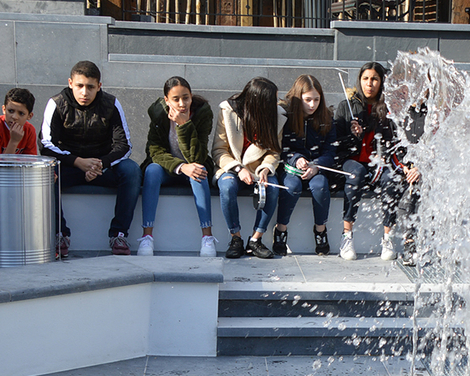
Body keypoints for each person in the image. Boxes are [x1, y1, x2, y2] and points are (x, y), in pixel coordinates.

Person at [40, 60, 141, 256]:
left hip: (101, 167)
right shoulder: (56, 103)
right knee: (45, 173)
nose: (84, 92)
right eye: (79, 86)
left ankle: (119, 234)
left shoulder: (111, 104)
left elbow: (124, 145)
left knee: (132, 170)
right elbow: (46, 145)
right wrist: (79, 162)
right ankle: (59, 234)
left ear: (99, 86)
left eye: (90, 87)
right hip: (70, 166)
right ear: (70, 83)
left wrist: (99, 165)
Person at [335, 62, 420, 262]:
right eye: (365, 79)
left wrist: (401, 162)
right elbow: (337, 144)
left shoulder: (389, 108)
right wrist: (353, 135)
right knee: (355, 175)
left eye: (374, 79)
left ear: (381, 82)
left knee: (392, 180)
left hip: (379, 164)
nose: (369, 84)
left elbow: (397, 142)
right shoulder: (347, 106)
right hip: (353, 161)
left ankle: (387, 238)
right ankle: (347, 236)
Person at [138, 76, 215, 258]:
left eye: (186, 97)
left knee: (199, 170)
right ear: (166, 100)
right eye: (176, 99)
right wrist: (181, 167)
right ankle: (147, 236)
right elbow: (155, 152)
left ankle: (207, 237)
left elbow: (198, 156)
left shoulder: (202, 113)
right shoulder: (158, 114)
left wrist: (184, 124)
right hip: (168, 169)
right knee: (152, 170)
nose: (182, 104)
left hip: (194, 166)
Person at [213, 77, 283, 259]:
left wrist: (266, 169)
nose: (276, 104)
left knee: (273, 188)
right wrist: (238, 168)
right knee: (227, 187)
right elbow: (219, 150)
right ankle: (235, 238)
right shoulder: (227, 112)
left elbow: (274, 151)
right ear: (260, 103)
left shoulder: (277, 116)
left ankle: (255, 240)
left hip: (259, 169)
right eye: (271, 101)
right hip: (231, 167)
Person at [275, 74, 338, 256]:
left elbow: (330, 151)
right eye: (308, 100)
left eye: (316, 100)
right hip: (291, 166)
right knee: (291, 186)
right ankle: (280, 229)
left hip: (317, 167)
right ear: (299, 98)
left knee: (320, 186)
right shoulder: (286, 116)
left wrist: (316, 165)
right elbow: (282, 148)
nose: (312, 105)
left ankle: (320, 231)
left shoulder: (326, 118)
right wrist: (296, 159)